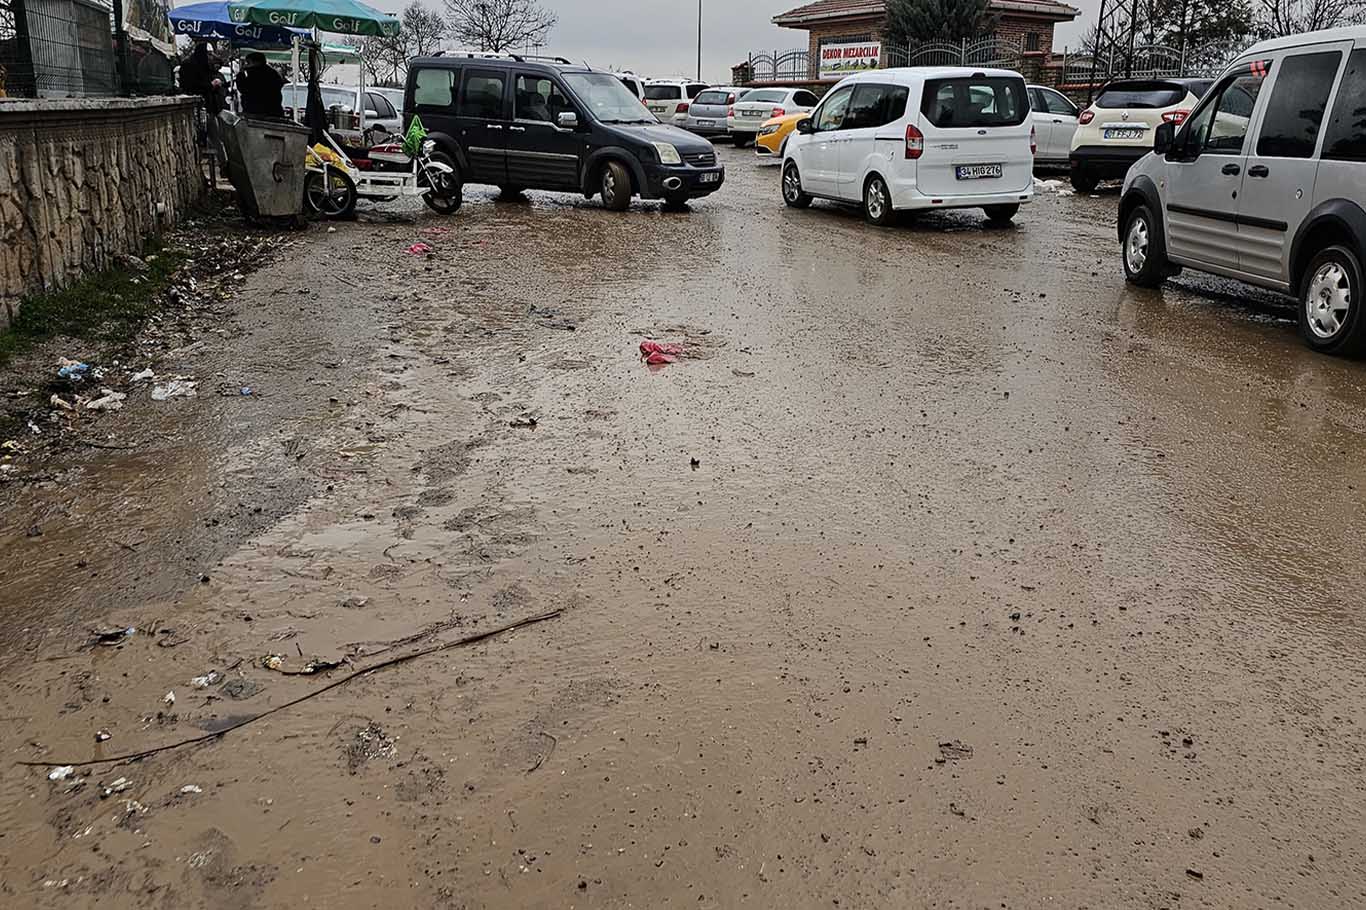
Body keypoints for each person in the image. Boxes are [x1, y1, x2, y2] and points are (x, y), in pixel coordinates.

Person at [236, 52, 286, 120]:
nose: (246, 65)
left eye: (248, 63)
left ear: (255, 62)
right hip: (274, 112)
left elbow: (243, 88)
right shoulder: (274, 73)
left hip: (254, 112)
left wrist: (240, 74)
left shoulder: (252, 73)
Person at [179, 42, 224, 116]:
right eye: (209, 54)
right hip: (194, 106)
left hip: (208, 107)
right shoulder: (189, 65)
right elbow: (192, 85)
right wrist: (211, 85)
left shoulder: (206, 66)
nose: (211, 57)